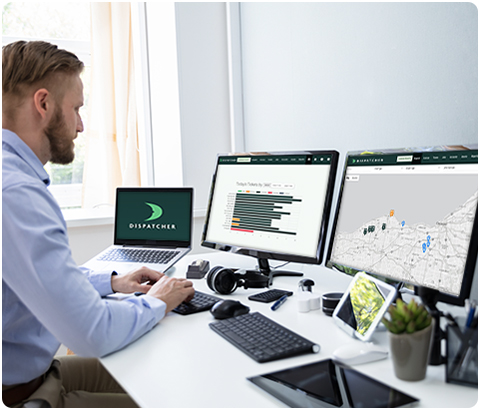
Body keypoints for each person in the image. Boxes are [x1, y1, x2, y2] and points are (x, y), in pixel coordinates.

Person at [2, 40, 195, 408]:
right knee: (179, 396)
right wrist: (157, 302)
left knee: (158, 371)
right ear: (43, 104)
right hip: (22, 394)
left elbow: (26, 282)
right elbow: (92, 333)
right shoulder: (16, 193)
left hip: (34, 374)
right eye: (75, 108)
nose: (80, 124)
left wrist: (111, 282)